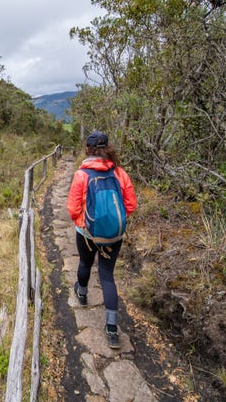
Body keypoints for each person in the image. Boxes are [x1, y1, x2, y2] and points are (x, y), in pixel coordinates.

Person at [66, 131, 137, 349]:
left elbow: (73, 209)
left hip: (88, 233)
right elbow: (131, 205)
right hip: (114, 236)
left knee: (85, 263)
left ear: (88, 149)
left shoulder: (82, 175)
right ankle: (112, 328)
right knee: (107, 276)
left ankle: (83, 293)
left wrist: (84, 225)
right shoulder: (120, 173)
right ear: (108, 148)